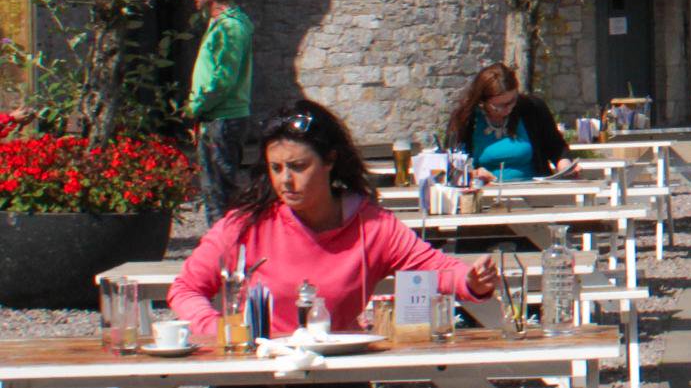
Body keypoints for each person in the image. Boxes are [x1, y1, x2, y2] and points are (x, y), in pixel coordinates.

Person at [170, 100, 497, 339]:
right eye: (276, 168)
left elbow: (436, 268)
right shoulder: (244, 224)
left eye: (298, 167)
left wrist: (470, 281)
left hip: (340, 370)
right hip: (260, 372)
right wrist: (218, 330)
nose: (285, 180)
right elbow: (185, 289)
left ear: (329, 161)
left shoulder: (371, 225)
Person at [188, 0, 255, 225]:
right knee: (214, 189)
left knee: (221, 193)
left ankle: (225, 250)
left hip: (223, 118)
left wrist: (198, 105)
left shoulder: (232, 27)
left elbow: (224, 79)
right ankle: (221, 247)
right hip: (215, 116)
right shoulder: (218, 24)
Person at [445, 63, 574, 183]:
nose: (508, 108)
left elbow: (556, 146)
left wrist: (565, 164)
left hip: (533, 190)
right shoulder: (464, 119)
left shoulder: (532, 108)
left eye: (513, 101)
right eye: (500, 106)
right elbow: (451, 164)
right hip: (484, 194)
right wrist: (473, 174)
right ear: (482, 102)